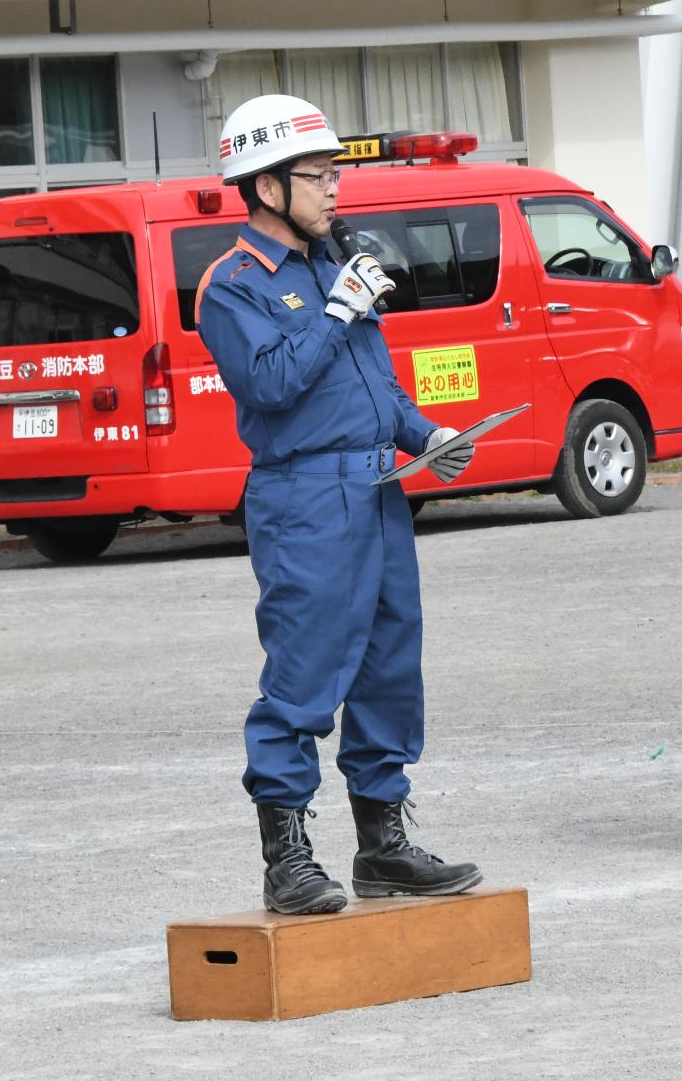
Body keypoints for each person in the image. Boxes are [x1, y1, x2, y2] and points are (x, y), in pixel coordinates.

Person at [196, 93, 482, 914]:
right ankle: (287, 859)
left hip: (379, 490)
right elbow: (272, 384)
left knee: (390, 665)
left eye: (333, 175)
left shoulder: (335, 266)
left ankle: (382, 844)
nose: (334, 191)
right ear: (265, 186)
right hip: (305, 496)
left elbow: (379, 391)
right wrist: (335, 311)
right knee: (304, 671)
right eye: (317, 177)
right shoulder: (234, 285)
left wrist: (428, 435)